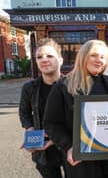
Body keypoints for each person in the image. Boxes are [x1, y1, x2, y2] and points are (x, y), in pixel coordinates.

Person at [43, 40, 108, 178]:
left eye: (102, 57)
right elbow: (51, 123)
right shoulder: (64, 86)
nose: (98, 60)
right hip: (81, 158)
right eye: (94, 55)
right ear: (83, 56)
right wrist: (68, 146)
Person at [18, 38, 66, 178]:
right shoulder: (29, 88)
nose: (44, 60)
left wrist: (57, 138)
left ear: (60, 60)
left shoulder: (71, 86)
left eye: (50, 56)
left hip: (66, 145)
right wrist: (30, 129)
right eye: (39, 57)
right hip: (43, 148)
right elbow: (24, 113)